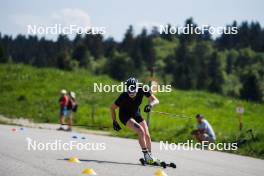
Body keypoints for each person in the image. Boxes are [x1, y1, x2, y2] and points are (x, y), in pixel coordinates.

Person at [110, 77, 159, 164]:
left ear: (137, 88)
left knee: (147, 134)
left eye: (133, 92)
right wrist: (114, 121)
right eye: (129, 92)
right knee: (140, 131)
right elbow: (112, 108)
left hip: (136, 113)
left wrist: (150, 105)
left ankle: (149, 156)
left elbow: (155, 100)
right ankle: (146, 155)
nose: (131, 94)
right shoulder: (123, 96)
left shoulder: (142, 89)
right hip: (125, 116)